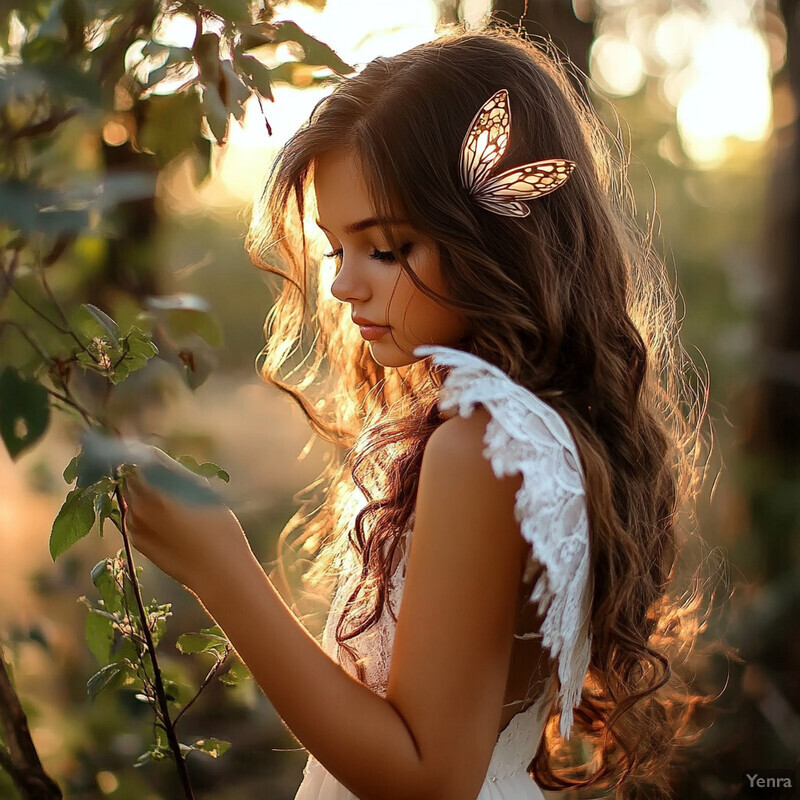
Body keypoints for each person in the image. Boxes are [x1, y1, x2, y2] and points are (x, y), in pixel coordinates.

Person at [120, 23, 715, 800]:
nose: (342, 286)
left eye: (387, 247)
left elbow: (430, 779)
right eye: (338, 250)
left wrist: (217, 566)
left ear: (495, 238)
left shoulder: (483, 449)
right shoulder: (519, 427)